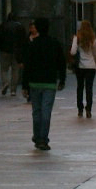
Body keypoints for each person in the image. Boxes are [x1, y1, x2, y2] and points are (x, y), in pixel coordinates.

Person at [20, 17, 67, 150]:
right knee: (46, 111)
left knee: (36, 111)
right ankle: (43, 139)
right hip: (49, 83)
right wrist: (62, 79)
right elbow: (61, 63)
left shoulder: (33, 44)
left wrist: (24, 85)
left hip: (34, 83)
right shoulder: (54, 43)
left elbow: (27, 65)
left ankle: (37, 135)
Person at [70, 20, 96, 118]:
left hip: (80, 67)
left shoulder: (77, 38)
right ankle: (89, 109)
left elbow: (73, 52)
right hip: (91, 67)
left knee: (80, 87)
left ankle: (80, 109)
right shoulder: (93, 39)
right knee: (89, 88)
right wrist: (95, 62)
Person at [0, 12, 27, 96]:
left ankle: (5, 82)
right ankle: (13, 90)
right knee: (15, 70)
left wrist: (0, 48)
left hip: (5, 51)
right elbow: (23, 40)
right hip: (17, 52)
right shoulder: (20, 27)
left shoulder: (3, 25)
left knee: (4, 69)